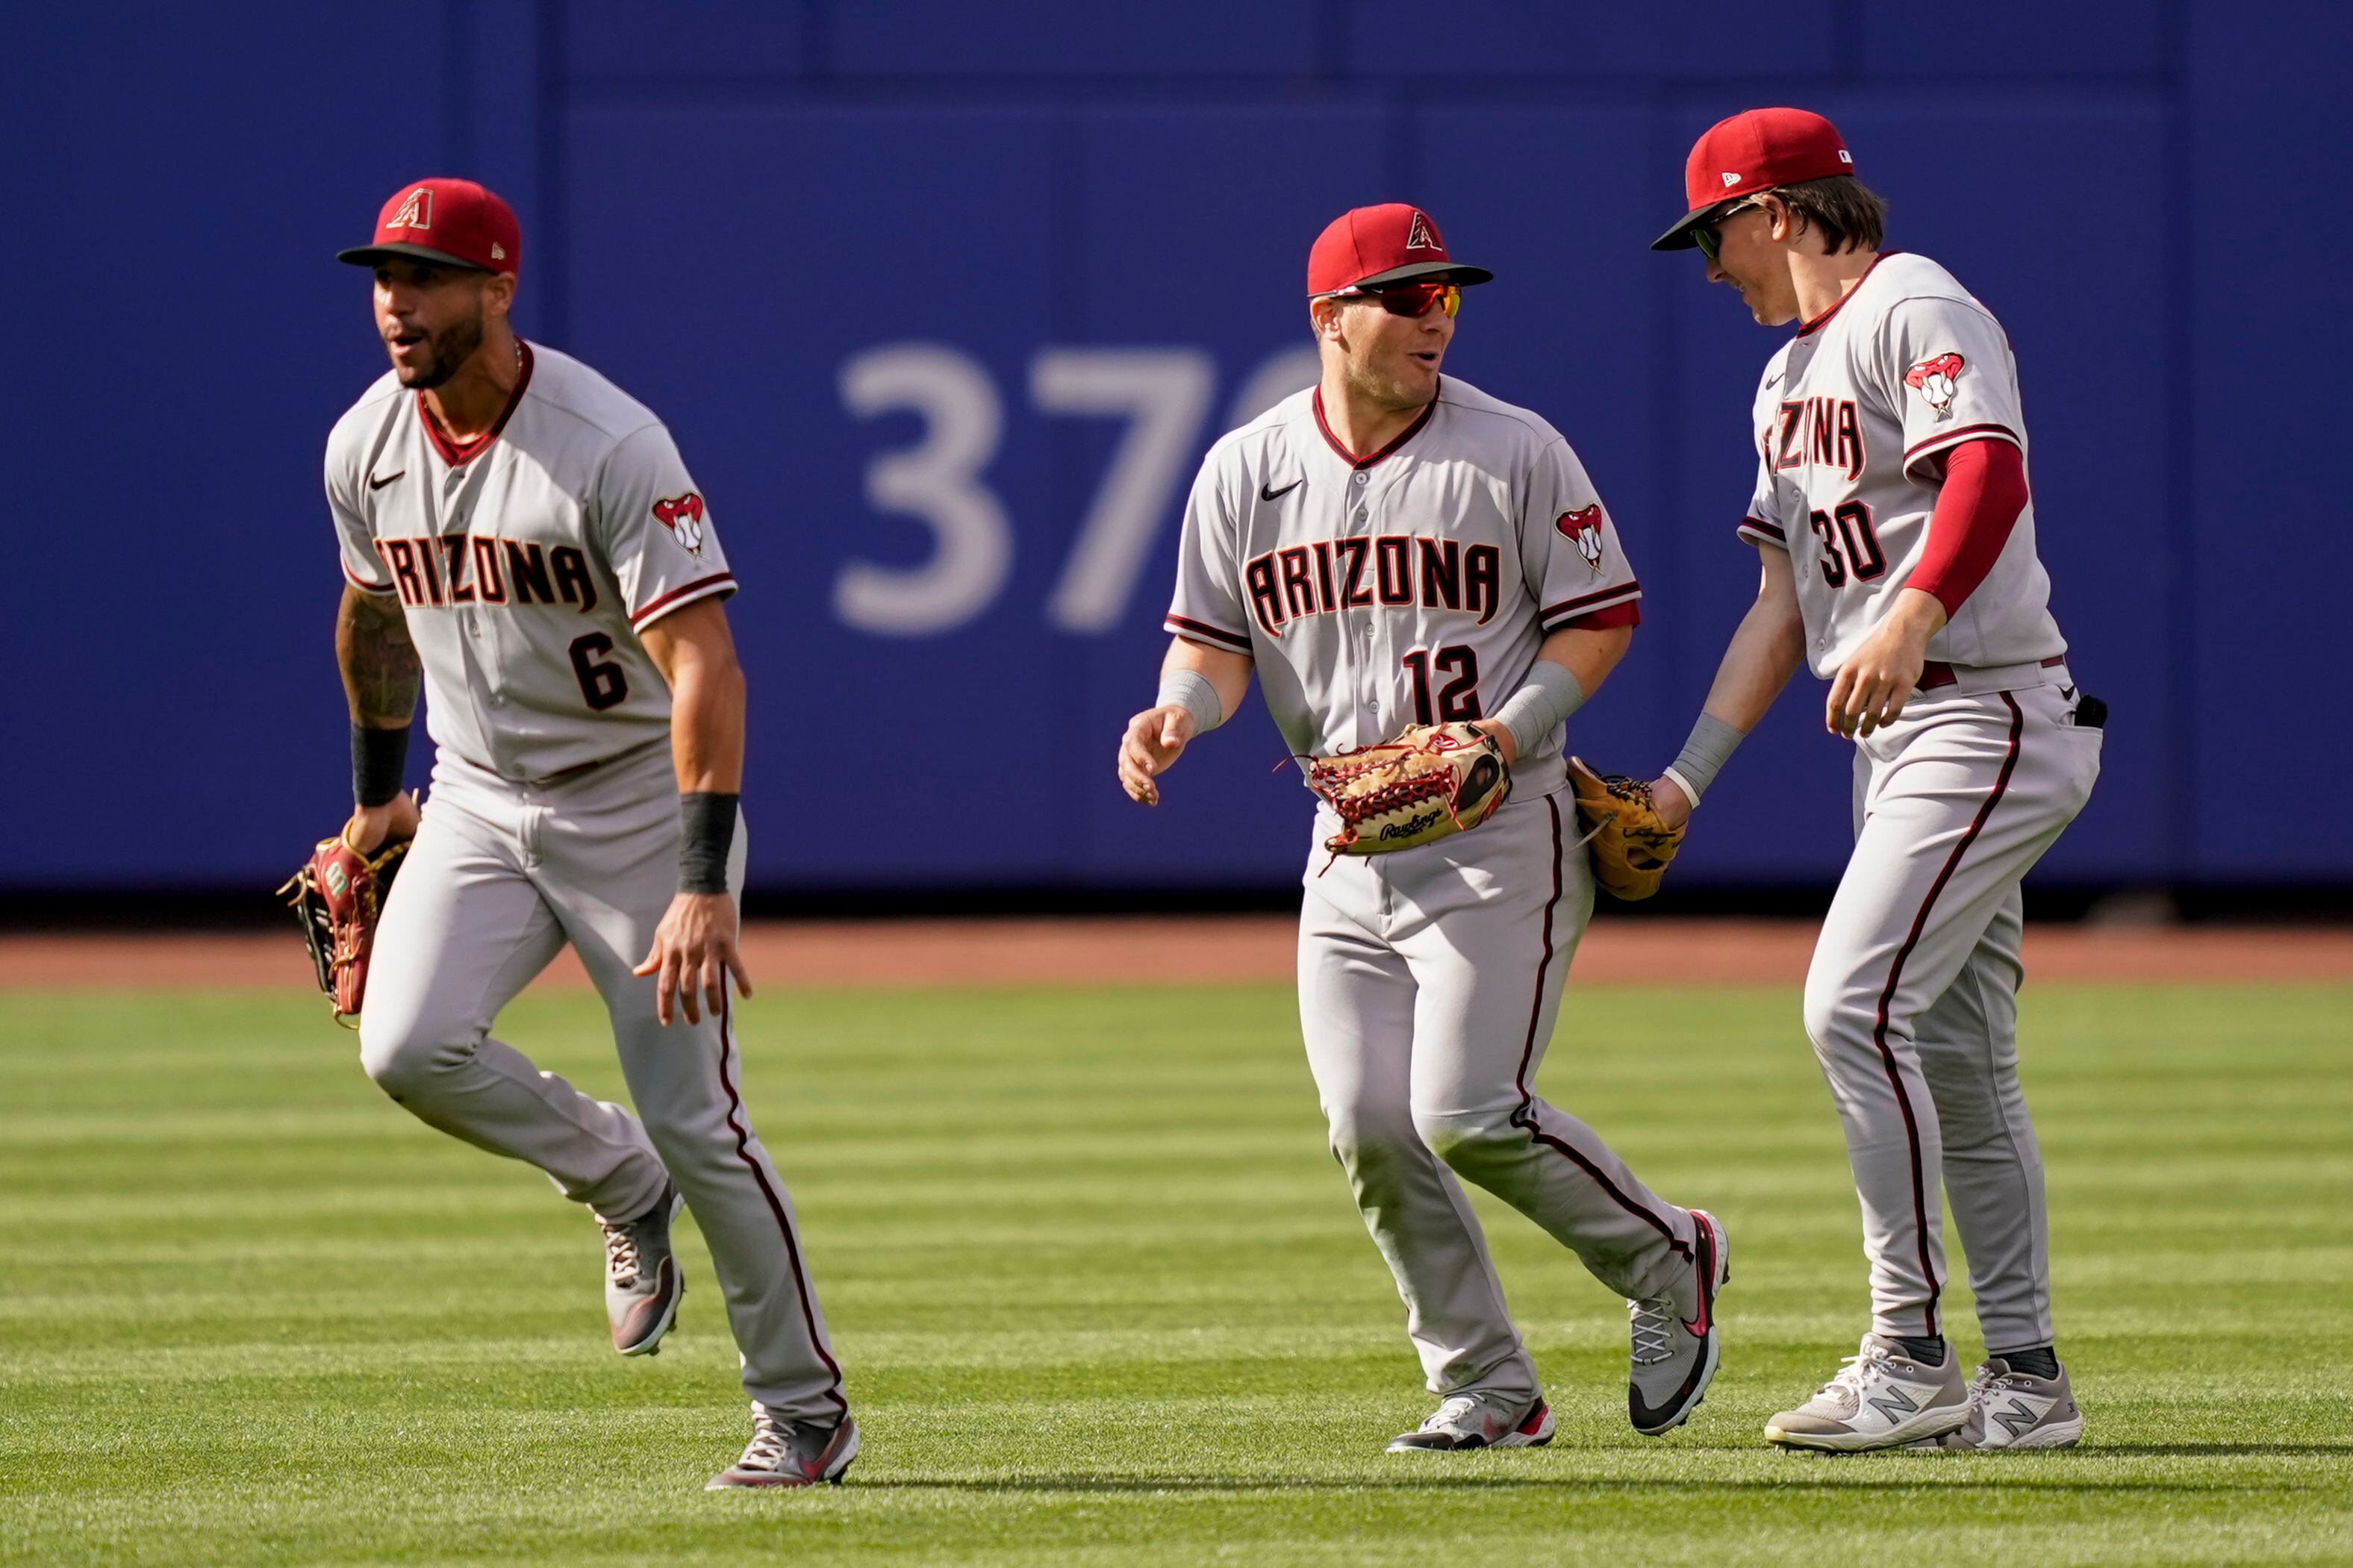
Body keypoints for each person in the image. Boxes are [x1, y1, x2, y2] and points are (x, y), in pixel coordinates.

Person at [1119, 202, 1728, 1452]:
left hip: (1500, 834)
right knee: (1371, 1127)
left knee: (1463, 1109)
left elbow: (1600, 616)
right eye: (1407, 298)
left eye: (1447, 296)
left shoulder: (1513, 449)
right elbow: (1211, 649)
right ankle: (1488, 1385)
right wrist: (1177, 715)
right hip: (1348, 845)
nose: (1435, 318)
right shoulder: (1246, 468)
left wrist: (1512, 733)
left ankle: (1672, 1254)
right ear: (1329, 319)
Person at [322, 178, 855, 1488]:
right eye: (385, 277)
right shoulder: (362, 446)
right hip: (476, 793)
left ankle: (806, 1408)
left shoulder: (608, 442)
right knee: (405, 1044)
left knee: (702, 1120)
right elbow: (377, 619)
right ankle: (615, 1176)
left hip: (633, 801)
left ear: (499, 289)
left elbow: (707, 668)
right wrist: (379, 792)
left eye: (429, 278)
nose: (398, 303)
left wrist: (699, 878)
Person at [1642, 109, 2100, 1452]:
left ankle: (1906, 1348)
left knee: (1850, 1004)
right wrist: (1685, 783)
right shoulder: (1784, 380)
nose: (1710, 264)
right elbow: (1780, 605)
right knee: (1959, 1058)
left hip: (1985, 708)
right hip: (1902, 738)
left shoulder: (1914, 302)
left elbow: (1988, 472)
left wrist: (1909, 612)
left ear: (1778, 212)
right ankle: (2026, 1381)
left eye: (1716, 232)